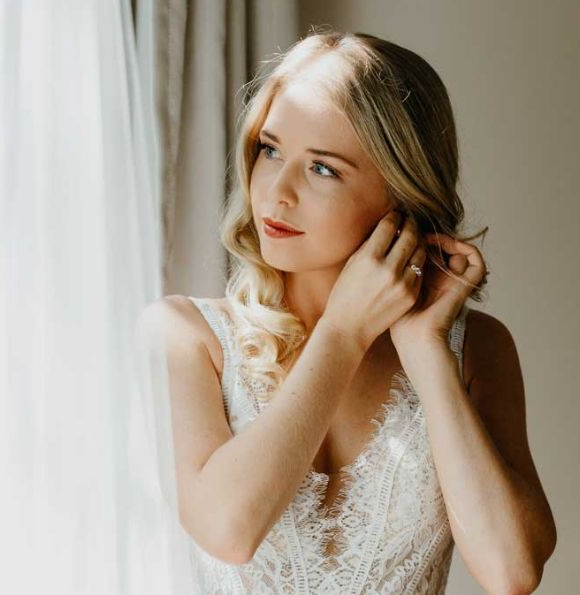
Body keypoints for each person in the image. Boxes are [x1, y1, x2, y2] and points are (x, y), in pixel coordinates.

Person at [141, 28, 556, 594]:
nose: (276, 193)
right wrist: (342, 332)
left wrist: (426, 350)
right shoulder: (186, 336)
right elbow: (228, 530)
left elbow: (512, 571)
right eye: (270, 149)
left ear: (402, 194)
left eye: (323, 168)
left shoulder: (475, 349)